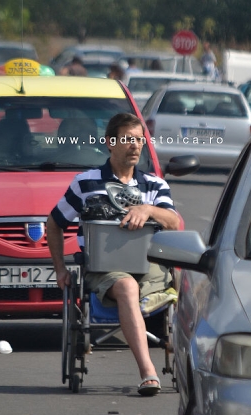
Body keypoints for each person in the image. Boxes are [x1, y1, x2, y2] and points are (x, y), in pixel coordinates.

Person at [47, 113, 180, 396]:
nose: (135, 146)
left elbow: (174, 222)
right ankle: (148, 372)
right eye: (128, 139)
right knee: (127, 286)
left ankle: (152, 313)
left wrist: (147, 210)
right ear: (110, 142)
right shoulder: (85, 183)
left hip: (149, 265)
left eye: (139, 140)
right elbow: (55, 223)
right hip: (105, 268)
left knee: (187, 277)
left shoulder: (154, 185)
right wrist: (59, 269)